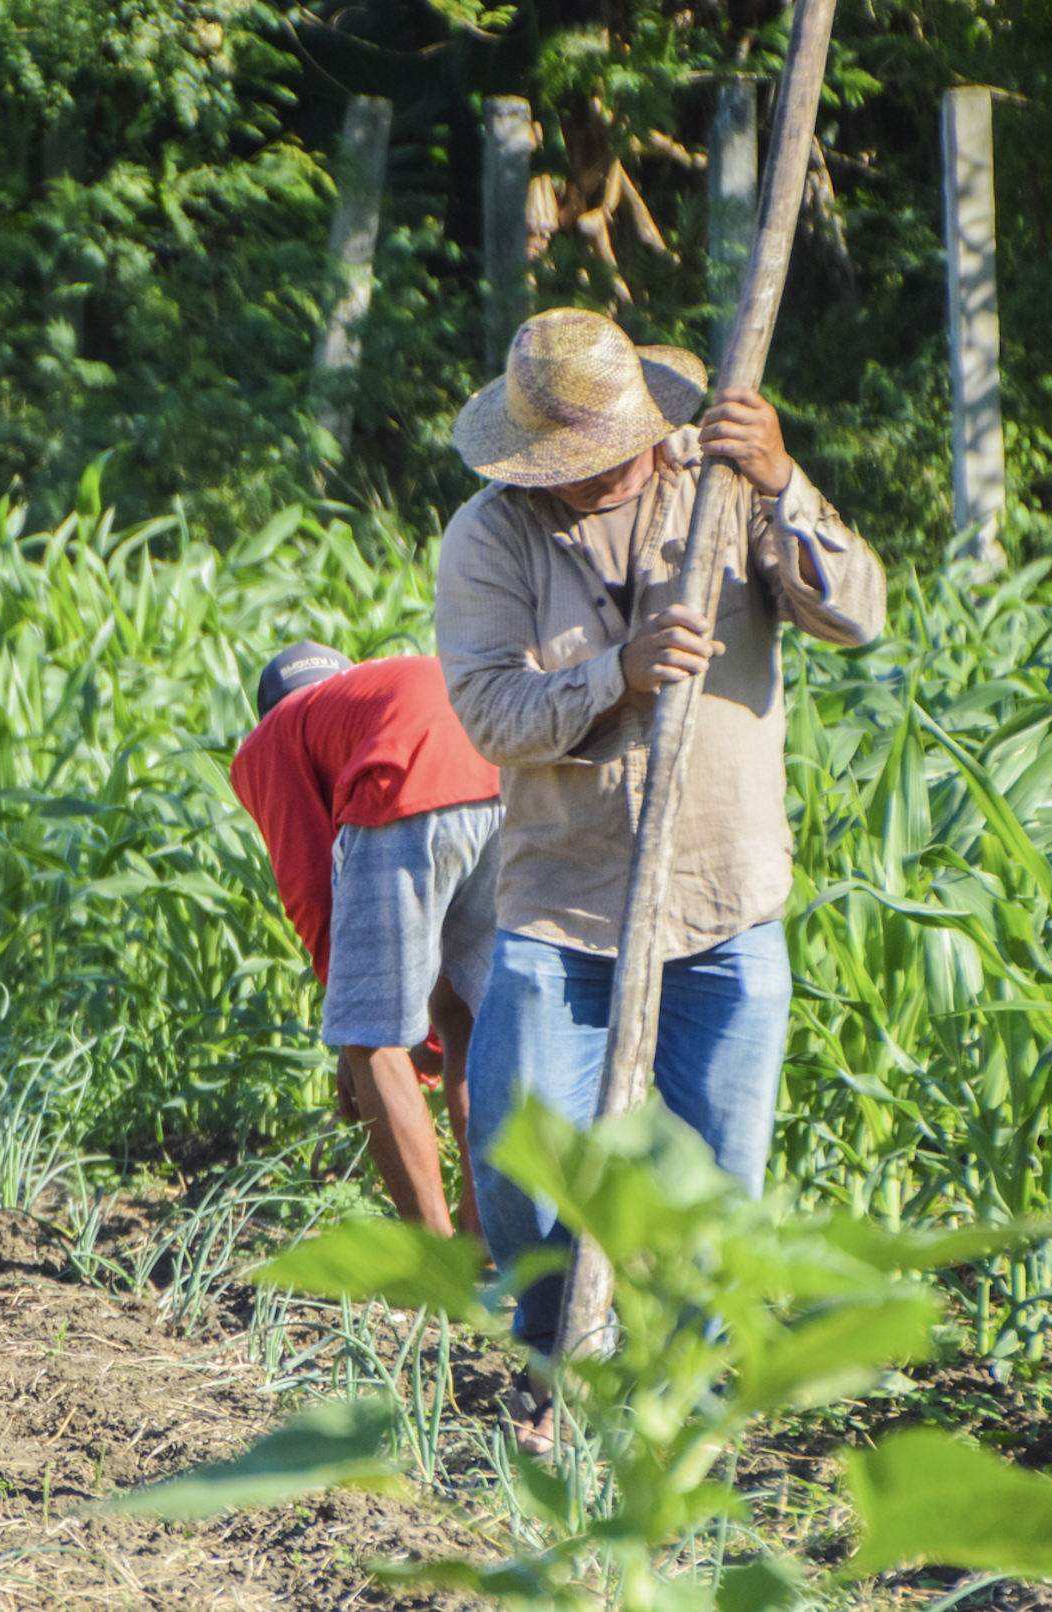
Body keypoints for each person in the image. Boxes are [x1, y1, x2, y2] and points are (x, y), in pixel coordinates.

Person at [434, 308, 887, 1429]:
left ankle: (674, 1402)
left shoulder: (722, 490)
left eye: (599, 457)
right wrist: (616, 679)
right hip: (565, 897)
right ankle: (554, 1366)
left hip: (725, 893)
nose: (582, 480)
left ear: (647, 430)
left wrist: (784, 484)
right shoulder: (491, 538)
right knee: (517, 1144)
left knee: (710, 1175)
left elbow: (858, 615)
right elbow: (490, 710)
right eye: (558, 466)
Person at [229, 645, 503, 1239]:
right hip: (502, 776)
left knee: (368, 1037)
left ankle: (439, 1267)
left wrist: (357, 1027)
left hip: (407, 778)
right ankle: (489, 1238)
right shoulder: (369, 691)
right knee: (462, 1012)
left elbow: (307, 884)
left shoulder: (274, 734)